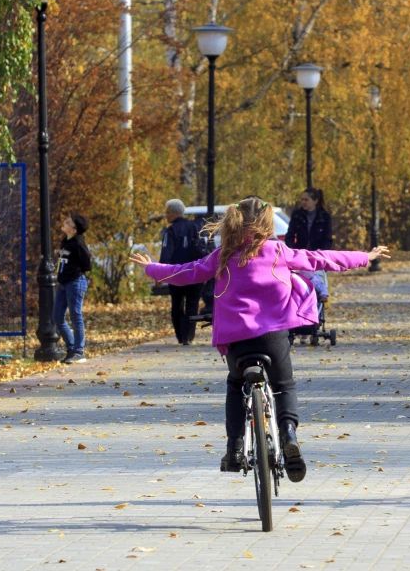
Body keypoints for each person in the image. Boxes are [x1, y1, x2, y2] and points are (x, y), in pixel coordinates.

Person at [129, 196, 390, 481]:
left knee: (234, 384)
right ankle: (288, 432)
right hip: (272, 339)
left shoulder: (223, 256)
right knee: (284, 385)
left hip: (236, 342)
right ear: (267, 223)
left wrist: (151, 267)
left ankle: (234, 449)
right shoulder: (278, 251)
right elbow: (321, 258)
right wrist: (367, 256)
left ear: (233, 222)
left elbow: (186, 272)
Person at [284, 188, 333, 342]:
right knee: (298, 288)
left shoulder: (324, 216)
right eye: (302, 200)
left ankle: (313, 321)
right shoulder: (297, 215)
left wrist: (322, 251)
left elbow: (328, 238)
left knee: (316, 285)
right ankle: (298, 322)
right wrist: (293, 250)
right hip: (300, 257)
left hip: (317, 257)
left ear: (315, 201)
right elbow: (290, 235)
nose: (303, 203)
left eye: (306, 200)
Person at [159, 199, 205, 346]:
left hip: (176, 273)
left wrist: (160, 272)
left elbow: (167, 252)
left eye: (168, 212)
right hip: (194, 272)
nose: (166, 215)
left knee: (177, 304)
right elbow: (202, 249)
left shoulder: (171, 231)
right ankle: (189, 336)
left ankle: (180, 336)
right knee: (192, 304)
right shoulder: (195, 227)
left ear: (176, 213)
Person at [55, 213, 92, 364]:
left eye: (68, 222)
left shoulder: (78, 244)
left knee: (76, 316)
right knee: (57, 317)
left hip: (75, 282)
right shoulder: (65, 241)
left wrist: (73, 271)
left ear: (74, 229)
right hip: (63, 284)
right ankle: (71, 348)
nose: (64, 222)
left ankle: (79, 351)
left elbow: (87, 265)